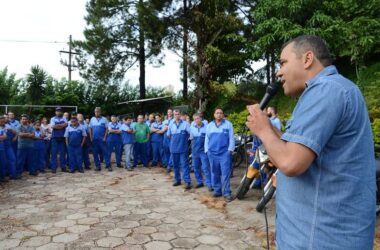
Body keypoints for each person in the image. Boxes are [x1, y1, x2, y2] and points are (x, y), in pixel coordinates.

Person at [246, 35, 375, 249]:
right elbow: (292, 147)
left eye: (283, 63)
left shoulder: (326, 90)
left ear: (307, 59)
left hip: (320, 238)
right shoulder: (334, 89)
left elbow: (290, 162)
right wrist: (268, 128)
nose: (278, 72)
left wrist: (263, 131)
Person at [205, 108, 235, 202]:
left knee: (225, 173)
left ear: (223, 115)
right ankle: (217, 191)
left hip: (224, 154)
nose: (219, 115)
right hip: (212, 153)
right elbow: (207, 139)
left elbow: (231, 138)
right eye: (217, 113)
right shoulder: (209, 125)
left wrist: (230, 150)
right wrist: (207, 151)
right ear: (214, 115)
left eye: (221, 113)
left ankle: (227, 193)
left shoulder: (228, 124)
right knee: (215, 173)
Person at [167, 110, 191, 189]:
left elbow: (189, 135)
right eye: (175, 114)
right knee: (175, 165)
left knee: (184, 165)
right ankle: (177, 180)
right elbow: (169, 135)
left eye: (178, 114)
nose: (176, 115)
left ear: (180, 115)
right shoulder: (171, 124)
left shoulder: (185, 124)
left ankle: (187, 181)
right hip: (174, 148)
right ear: (173, 115)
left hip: (183, 148)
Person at [190, 113, 212, 191]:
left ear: (201, 118)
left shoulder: (207, 127)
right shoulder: (192, 128)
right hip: (195, 151)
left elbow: (209, 139)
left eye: (198, 118)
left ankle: (209, 184)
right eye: (195, 119)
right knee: (196, 168)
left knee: (206, 168)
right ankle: (200, 182)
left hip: (203, 151)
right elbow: (191, 139)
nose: (197, 120)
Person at [89, 107, 110, 171]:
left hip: (102, 139)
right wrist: (91, 137)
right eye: (96, 112)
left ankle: (108, 166)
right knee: (95, 153)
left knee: (106, 153)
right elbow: (90, 129)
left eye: (98, 111)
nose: (97, 113)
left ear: (100, 112)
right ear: (94, 112)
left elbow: (107, 129)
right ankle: (98, 166)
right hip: (94, 139)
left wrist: (105, 137)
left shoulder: (104, 119)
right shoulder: (92, 119)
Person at [50, 107, 68, 173]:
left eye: (60, 111)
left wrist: (57, 125)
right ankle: (53, 168)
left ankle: (63, 167)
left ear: (62, 112)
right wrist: (61, 126)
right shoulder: (52, 118)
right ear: (55, 112)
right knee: (54, 154)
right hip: (54, 138)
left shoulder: (64, 118)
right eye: (57, 111)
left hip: (62, 138)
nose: (59, 112)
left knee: (62, 154)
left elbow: (66, 124)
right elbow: (53, 126)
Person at [3, 115, 17, 179]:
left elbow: (16, 133)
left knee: (12, 159)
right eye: (4, 118)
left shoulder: (9, 125)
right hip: (2, 145)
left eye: (7, 117)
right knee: (3, 161)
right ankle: (4, 175)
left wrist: (11, 130)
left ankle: (13, 175)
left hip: (9, 145)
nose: (6, 118)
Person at [0, 116, 8, 182]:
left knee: (3, 162)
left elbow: (5, 137)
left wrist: (1, 137)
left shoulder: (3, 128)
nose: (3, 122)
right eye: (1, 121)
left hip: (2, 147)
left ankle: (2, 177)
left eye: (3, 121)